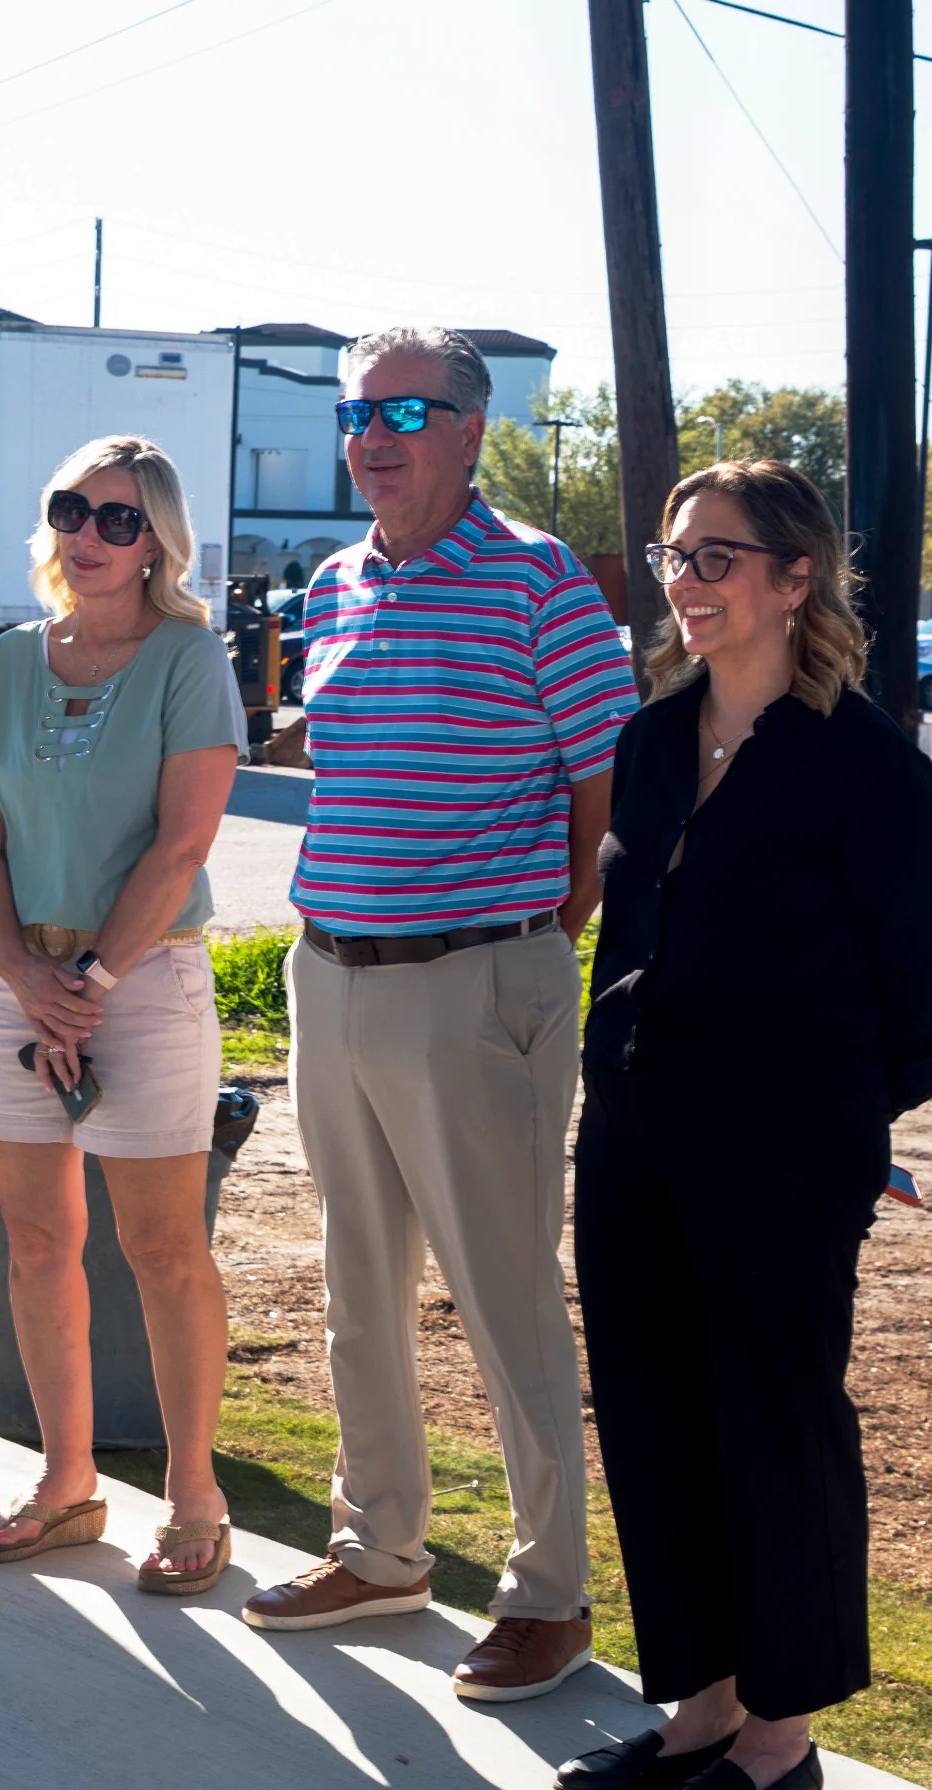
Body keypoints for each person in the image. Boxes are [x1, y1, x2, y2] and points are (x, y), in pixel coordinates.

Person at [555, 461, 932, 1790]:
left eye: (720, 557)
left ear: (799, 578)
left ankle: (781, 1740)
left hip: (784, 1151)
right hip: (635, 1132)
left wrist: (844, 1135)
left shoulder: (869, 768)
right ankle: (703, 1711)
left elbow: (923, 993)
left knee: (774, 1428)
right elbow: (630, 932)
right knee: (657, 1415)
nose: (688, 581)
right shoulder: (656, 739)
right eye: (676, 555)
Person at [241, 327, 639, 1702]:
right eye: (357, 412)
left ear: (472, 431)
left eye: (407, 409)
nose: (374, 433)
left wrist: (528, 954)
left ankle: (551, 1594)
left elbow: (608, 802)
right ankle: (381, 1549)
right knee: (359, 1284)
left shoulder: (542, 586)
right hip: (329, 974)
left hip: (478, 979)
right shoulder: (335, 586)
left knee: (505, 1293)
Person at [0, 435, 246, 1592]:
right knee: (34, 1239)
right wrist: (27, 972)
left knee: (163, 1247)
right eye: (72, 508)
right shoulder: (7, 661)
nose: (88, 535)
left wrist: (95, 984)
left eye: (118, 519)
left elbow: (183, 843)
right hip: (16, 980)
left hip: (146, 978)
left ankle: (195, 1494)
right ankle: (65, 1480)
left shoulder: (189, 654)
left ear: (157, 540)